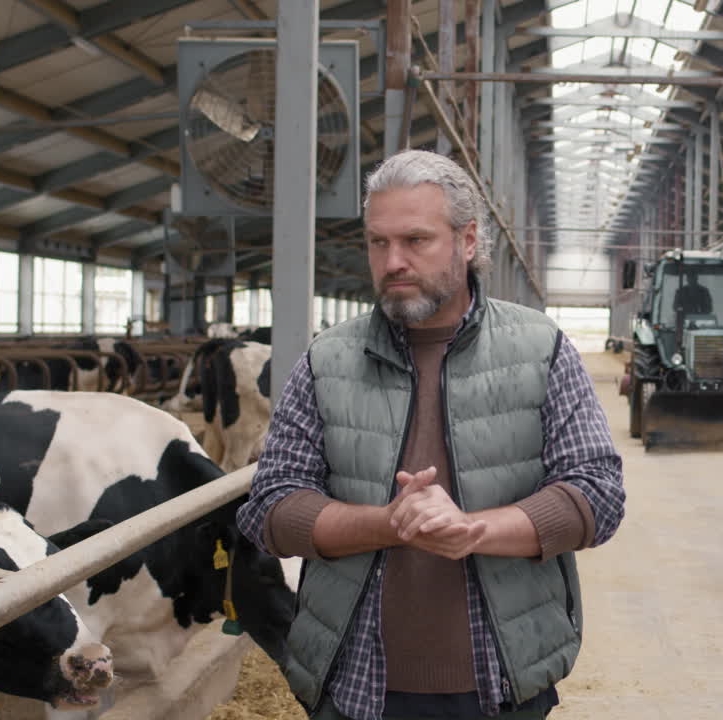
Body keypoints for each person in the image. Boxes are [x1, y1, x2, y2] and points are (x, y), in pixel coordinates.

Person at [237, 149, 626, 720]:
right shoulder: (326, 360)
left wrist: (473, 530)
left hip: (502, 682)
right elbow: (270, 507)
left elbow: (598, 493)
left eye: (415, 240)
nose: (393, 261)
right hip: (352, 686)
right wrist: (389, 523)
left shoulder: (541, 349)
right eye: (378, 242)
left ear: (467, 241)